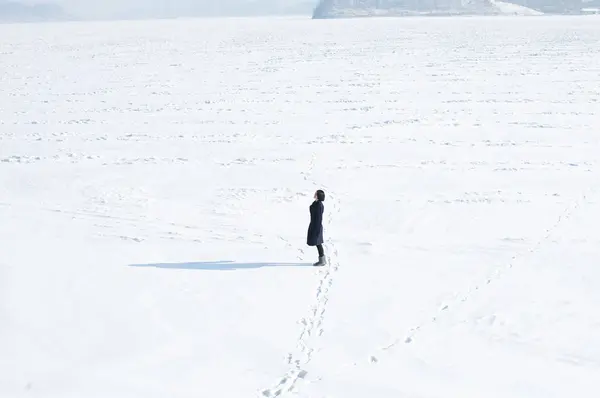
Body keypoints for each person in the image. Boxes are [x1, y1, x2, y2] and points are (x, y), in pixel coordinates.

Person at [307, 189, 326, 266]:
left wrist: (317, 229)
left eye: (316, 193)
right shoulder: (316, 203)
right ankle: (322, 260)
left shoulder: (319, 205)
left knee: (318, 243)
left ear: (318, 196)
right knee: (318, 243)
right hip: (314, 225)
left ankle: (322, 261)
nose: (314, 194)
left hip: (316, 226)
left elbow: (319, 218)